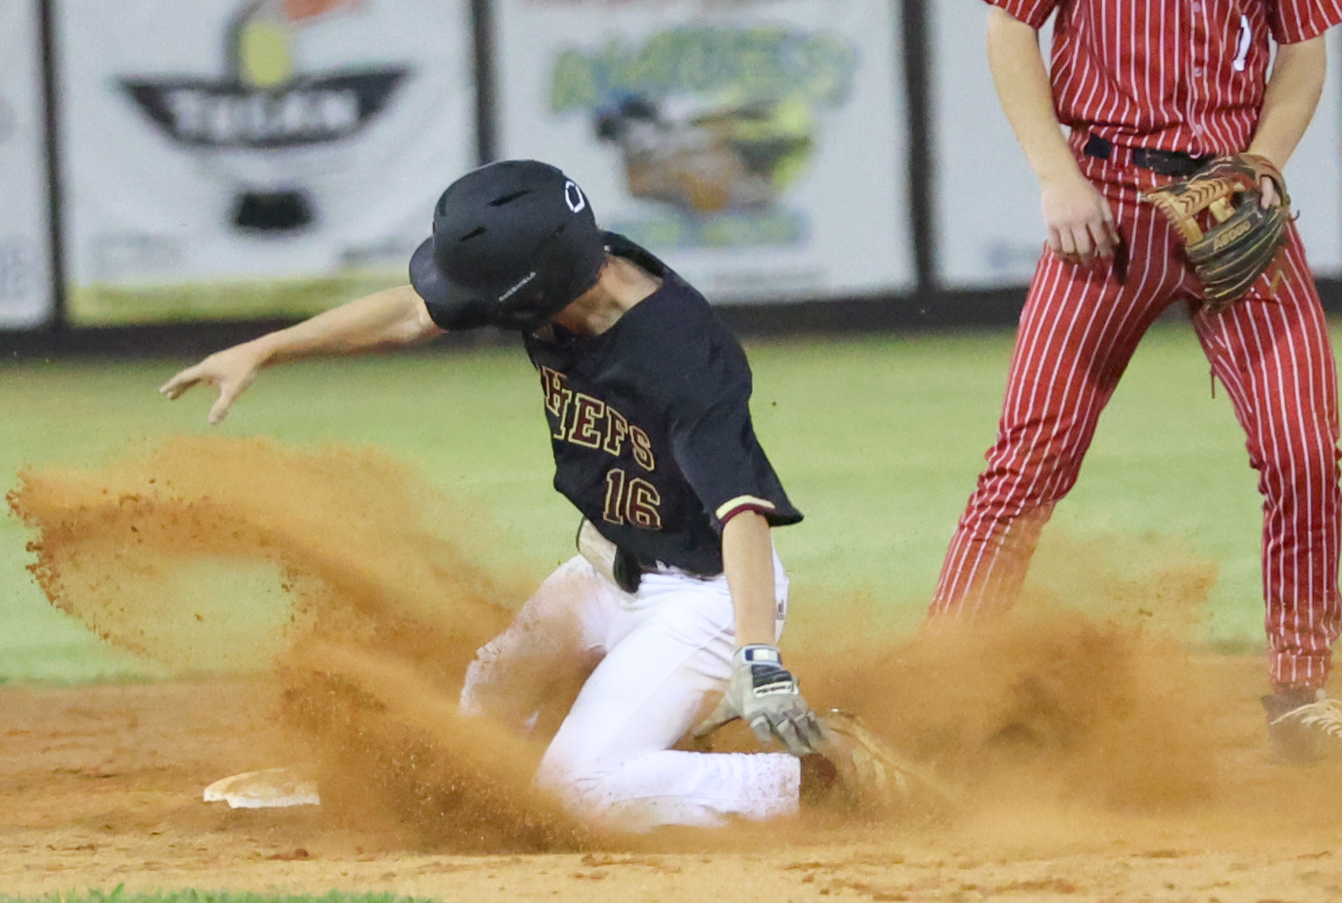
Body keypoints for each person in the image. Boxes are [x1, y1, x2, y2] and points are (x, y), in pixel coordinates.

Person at [930, 0, 1342, 766]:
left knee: (1303, 450)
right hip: (1109, 201)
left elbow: (1303, 49)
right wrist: (1054, 173)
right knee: (1029, 458)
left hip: (1231, 204)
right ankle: (938, 692)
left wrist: (1264, 164)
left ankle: (1301, 694)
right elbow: (1009, 25)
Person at [163, 158, 921, 828]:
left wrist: (758, 656)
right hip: (603, 571)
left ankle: (814, 779)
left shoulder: (683, 356)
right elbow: (409, 311)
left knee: (578, 791)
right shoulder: (562, 267)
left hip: (704, 600)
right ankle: (600, 762)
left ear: (531, 293)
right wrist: (266, 347)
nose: (462, 304)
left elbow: (743, 511)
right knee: (483, 712)